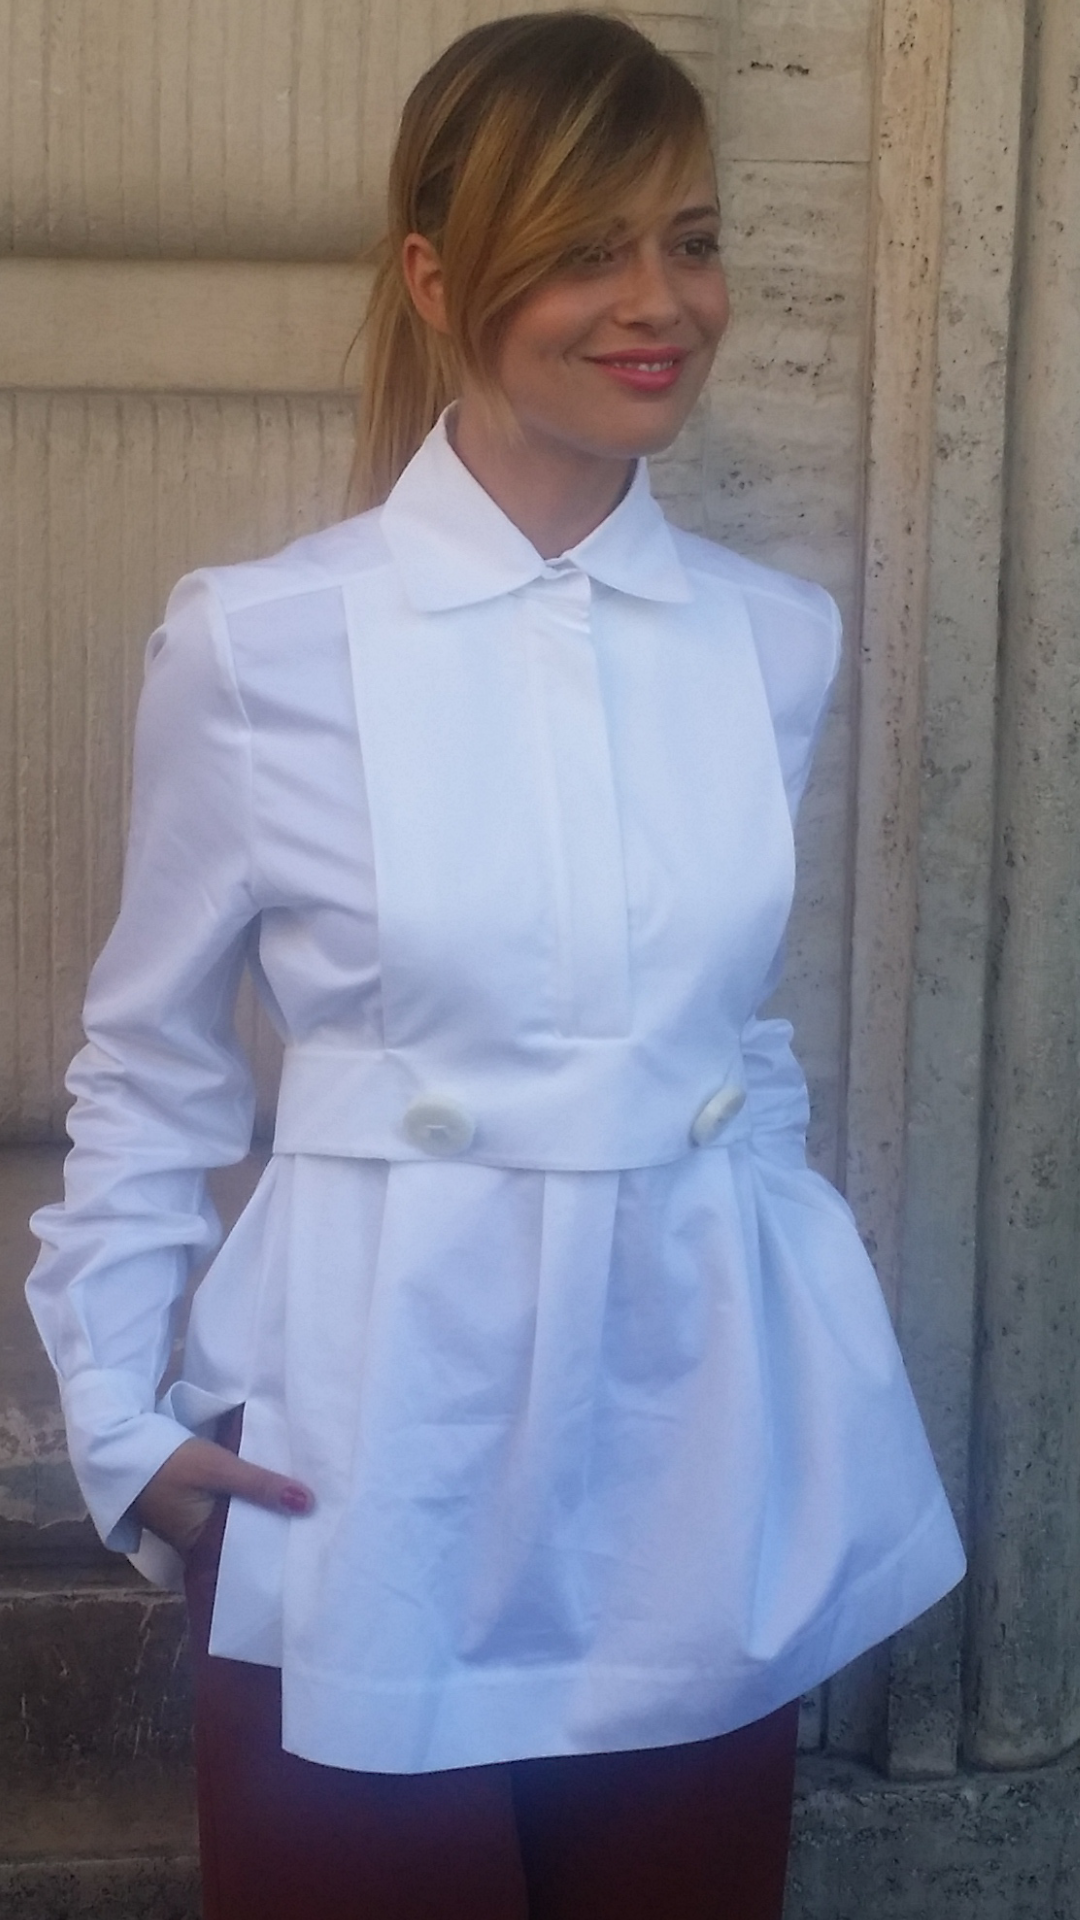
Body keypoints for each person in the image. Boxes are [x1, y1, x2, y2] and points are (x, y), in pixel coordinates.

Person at [26, 13, 965, 1919]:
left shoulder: (771, 640)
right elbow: (152, 1062)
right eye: (585, 249)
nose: (660, 303)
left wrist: (792, 1343)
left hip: (686, 1448)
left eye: (690, 240)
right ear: (439, 277)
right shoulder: (261, 646)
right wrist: (118, 1417)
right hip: (372, 1445)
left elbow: (721, 1043)